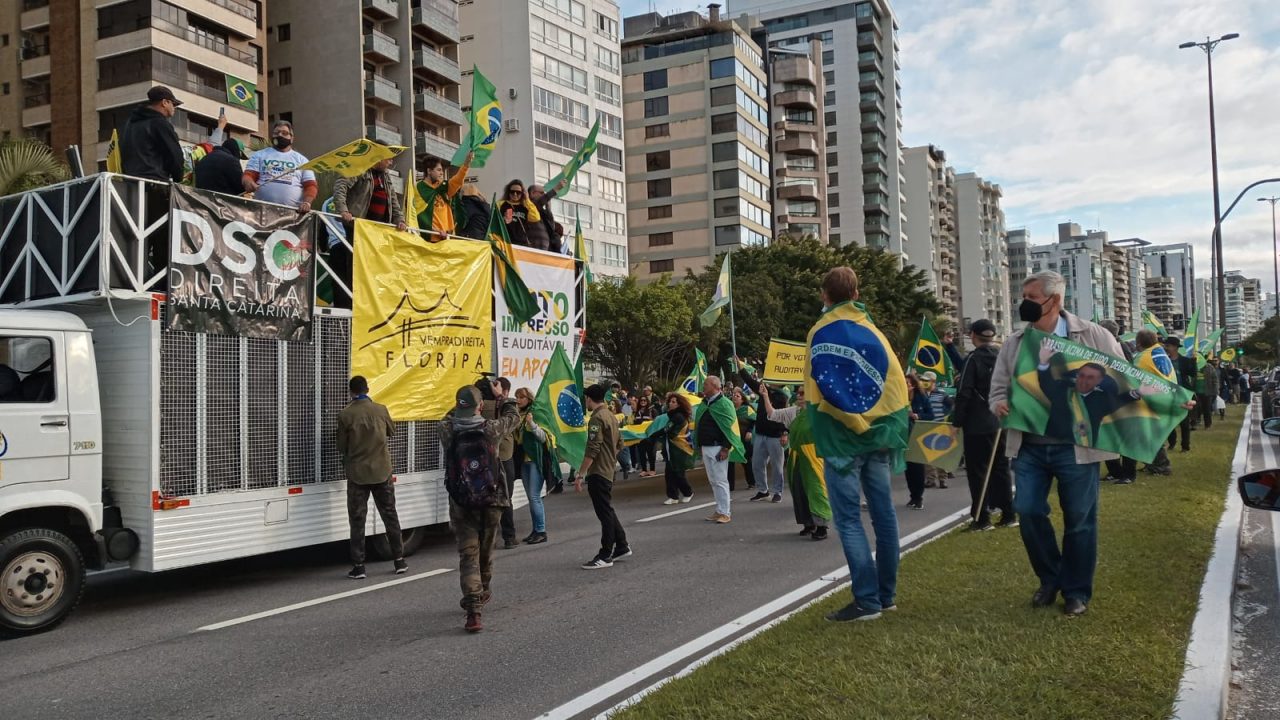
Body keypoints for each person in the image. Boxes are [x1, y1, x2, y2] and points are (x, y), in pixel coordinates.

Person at [991, 271, 1127, 617]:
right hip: (1029, 447)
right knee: (1028, 509)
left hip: (1077, 447)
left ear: (1055, 300)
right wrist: (999, 404)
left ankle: (1077, 591)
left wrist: (1170, 403)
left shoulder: (1094, 335)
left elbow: (1124, 381)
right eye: (1023, 296)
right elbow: (997, 389)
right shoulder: (1016, 343)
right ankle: (1050, 579)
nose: (1024, 303)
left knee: (1080, 519)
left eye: (1032, 297)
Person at [807, 267, 908, 622]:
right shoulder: (874, 332)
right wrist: (873, 422)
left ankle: (867, 600)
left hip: (841, 441)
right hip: (879, 436)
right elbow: (895, 384)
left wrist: (852, 420)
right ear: (856, 293)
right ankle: (887, 594)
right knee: (885, 516)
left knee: (849, 520)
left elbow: (821, 386)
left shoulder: (820, 331)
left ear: (825, 295)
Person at [440, 384, 522, 633]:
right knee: (486, 552)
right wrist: (501, 397)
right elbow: (514, 417)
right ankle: (483, 589)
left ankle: (473, 610)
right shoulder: (490, 429)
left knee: (468, 555)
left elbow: (448, 415)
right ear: (479, 406)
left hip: (462, 501)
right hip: (492, 499)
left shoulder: (446, 428)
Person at [336, 375, 406, 580]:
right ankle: (399, 561)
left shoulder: (345, 414)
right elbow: (391, 431)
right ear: (367, 389)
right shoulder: (381, 409)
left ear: (351, 392)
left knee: (357, 520)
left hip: (357, 474)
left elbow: (341, 446)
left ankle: (359, 566)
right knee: (390, 516)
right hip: (382, 471)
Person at [952, 318, 1014, 527]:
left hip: (977, 424)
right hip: (1001, 422)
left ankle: (981, 517)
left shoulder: (973, 359)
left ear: (972, 336)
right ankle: (1008, 514)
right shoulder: (1003, 357)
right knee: (1001, 469)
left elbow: (964, 392)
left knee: (978, 471)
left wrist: (956, 421)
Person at [330, 157, 407, 308]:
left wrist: (400, 220)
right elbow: (341, 186)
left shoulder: (385, 177)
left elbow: (393, 201)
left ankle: (372, 301)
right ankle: (354, 302)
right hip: (359, 226)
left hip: (378, 230)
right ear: (378, 157)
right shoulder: (359, 168)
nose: (390, 163)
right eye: (388, 159)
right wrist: (344, 211)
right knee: (356, 264)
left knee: (375, 266)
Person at [762, 384, 829, 539]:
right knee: (798, 489)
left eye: (802, 393)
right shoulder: (794, 411)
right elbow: (772, 414)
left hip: (813, 455)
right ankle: (808, 523)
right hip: (796, 455)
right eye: (797, 393)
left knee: (815, 487)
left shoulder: (820, 411)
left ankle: (822, 525)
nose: (798, 396)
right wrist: (765, 396)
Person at [578, 384, 631, 569]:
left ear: (589, 399)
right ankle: (622, 545)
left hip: (599, 471)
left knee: (604, 513)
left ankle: (605, 554)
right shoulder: (610, 415)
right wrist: (610, 459)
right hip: (609, 469)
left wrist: (581, 473)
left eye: (586, 398)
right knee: (607, 509)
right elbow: (620, 444)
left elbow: (593, 448)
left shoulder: (597, 418)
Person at [696, 375, 743, 523]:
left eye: (706, 385)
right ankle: (719, 510)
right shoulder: (704, 404)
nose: (703, 387)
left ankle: (725, 512)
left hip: (718, 447)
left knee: (721, 480)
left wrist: (725, 448)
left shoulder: (724, 404)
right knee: (713, 480)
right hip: (706, 446)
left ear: (715, 386)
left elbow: (730, 428)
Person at [243, 120, 317, 213]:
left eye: (284, 133)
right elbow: (248, 175)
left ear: (292, 138)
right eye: (276, 133)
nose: (280, 135)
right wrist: (248, 182)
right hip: (262, 212)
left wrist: (307, 203)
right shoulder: (259, 155)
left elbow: (311, 186)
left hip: (292, 215)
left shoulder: (302, 160)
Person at [481, 377, 520, 549]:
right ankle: (509, 537)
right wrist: (501, 398)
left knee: (486, 499)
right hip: (504, 458)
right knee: (506, 499)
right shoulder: (505, 407)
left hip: (485, 459)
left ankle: (487, 538)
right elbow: (514, 416)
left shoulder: (479, 408)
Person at [738, 364, 787, 502]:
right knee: (757, 463)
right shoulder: (763, 390)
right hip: (760, 434)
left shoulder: (781, 397)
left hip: (775, 435)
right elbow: (750, 381)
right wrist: (741, 368)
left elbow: (783, 416)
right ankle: (763, 490)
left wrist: (784, 433)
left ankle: (777, 491)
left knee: (777, 466)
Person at [1132, 329, 1175, 476]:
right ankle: (1152, 464)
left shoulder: (1142, 358)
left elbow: (1134, 380)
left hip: (1152, 399)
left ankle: (1161, 466)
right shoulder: (1160, 352)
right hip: (1166, 397)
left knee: (1149, 435)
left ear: (1138, 343)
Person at [120, 86, 185, 183]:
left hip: (130, 183)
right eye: (173, 104)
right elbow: (174, 155)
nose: (174, 108)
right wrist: (178, 178)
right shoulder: (160, 123)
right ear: (164, 102)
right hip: (154, 182)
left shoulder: (129, 124)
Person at [513, 388, 552, 545]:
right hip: (523, 460)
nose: (518, 400)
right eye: (517, 397)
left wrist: (532, 424)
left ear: (529, 398)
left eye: (521, 397)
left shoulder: (536, 413)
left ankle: (541, 531)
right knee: (531, 497)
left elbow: (544, 437)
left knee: (535, 496)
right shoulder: (518, 415)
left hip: (535, 460)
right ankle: (536, 530)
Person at [416, 154, 473, 235]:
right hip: (429, 239)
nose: (442, 173)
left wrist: (466, 165)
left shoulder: (444, 186)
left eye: (442, 170)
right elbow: (417, 215)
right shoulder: (418, 188)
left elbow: (458, 179)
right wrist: (434, 231)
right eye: (438, 170)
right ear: (429, 171)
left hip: (448, 238)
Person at [657, 392, 696, 505]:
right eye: (670, 401)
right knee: (669, 473)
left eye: (673, 402)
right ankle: (673, 496)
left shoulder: (678, 417)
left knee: (678, 473)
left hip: (680, 449)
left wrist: (653, 435)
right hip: (672, 449)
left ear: (679, 405)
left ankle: (688, 492)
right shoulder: (672, 415)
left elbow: (669, 431)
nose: (670, 403)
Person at [916, 370, 952, 489]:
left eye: (927, 380)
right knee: (927, 455)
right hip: (925, 425)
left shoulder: (942, 394)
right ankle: (930, 479)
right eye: (923, 380)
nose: (924, 382)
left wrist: (945, 415)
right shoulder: (920, 394)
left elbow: (951, 405)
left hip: (940, 426)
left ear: (933, 382)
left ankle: (943, 479)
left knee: (940, 454)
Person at [500, 179, 558, 250]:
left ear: (522, 193)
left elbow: (535, 217)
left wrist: (526, 199)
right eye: (512, 192)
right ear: (508, 192)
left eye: (518, 192)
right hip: (506, 242)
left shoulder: (525, 206)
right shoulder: (501, 204)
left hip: (522, 244)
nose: (515, 194)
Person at [1162, 337, 1196, 453]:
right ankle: (1172, 443)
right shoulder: (1165, 360)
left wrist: (1194, 362)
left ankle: (1185, 446)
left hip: (1183, 394)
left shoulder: (1185, 361)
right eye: (1165, 346)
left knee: (1184, 422)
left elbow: (1193, 374)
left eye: (1168, 346)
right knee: (1169, 420)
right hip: (1169, 393)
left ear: (1175, 347)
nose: (1165, 348)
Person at [904, 374, 929, 511]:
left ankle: (919, 497)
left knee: (918, 467)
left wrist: (917, 416)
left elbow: (930, 414)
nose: (904, 385)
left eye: (907, 383)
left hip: (918, 435)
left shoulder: (921, 397)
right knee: (908, 468)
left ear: (913, 385)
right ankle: (912, 496)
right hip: (905, 436)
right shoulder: (900, 397)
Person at [731, 387, 758, 491]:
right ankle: (730, 485)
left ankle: (752, 482)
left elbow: (754, 420)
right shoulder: (730, 409)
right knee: (730, 460)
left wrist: (750, 431)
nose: (734, 397)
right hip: (733, 438)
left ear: (742, 399)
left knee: (746, 460)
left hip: (744, 438)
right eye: (733, 395)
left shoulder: (747, 409)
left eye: (737, 396)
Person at [528, 183, 566, 250]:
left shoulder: (542, 210)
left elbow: (552, 227)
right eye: (542, 193)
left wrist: (548, 208)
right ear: (532, 193)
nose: (544, 195)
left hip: (545, 248)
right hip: (534, 247)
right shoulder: (529, 206)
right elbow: (541, 201)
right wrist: (556, 189)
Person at [631, 396, 658, 477]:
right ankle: (644, 470)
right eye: (641, 400)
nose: (643, 401)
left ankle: (652, 469)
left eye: (644, 400)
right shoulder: (636, 412)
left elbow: (656, 422)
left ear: (647, 401)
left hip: (650, 435)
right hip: (640, 436)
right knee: (641, 453)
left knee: (651, 453)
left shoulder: (652, 411)